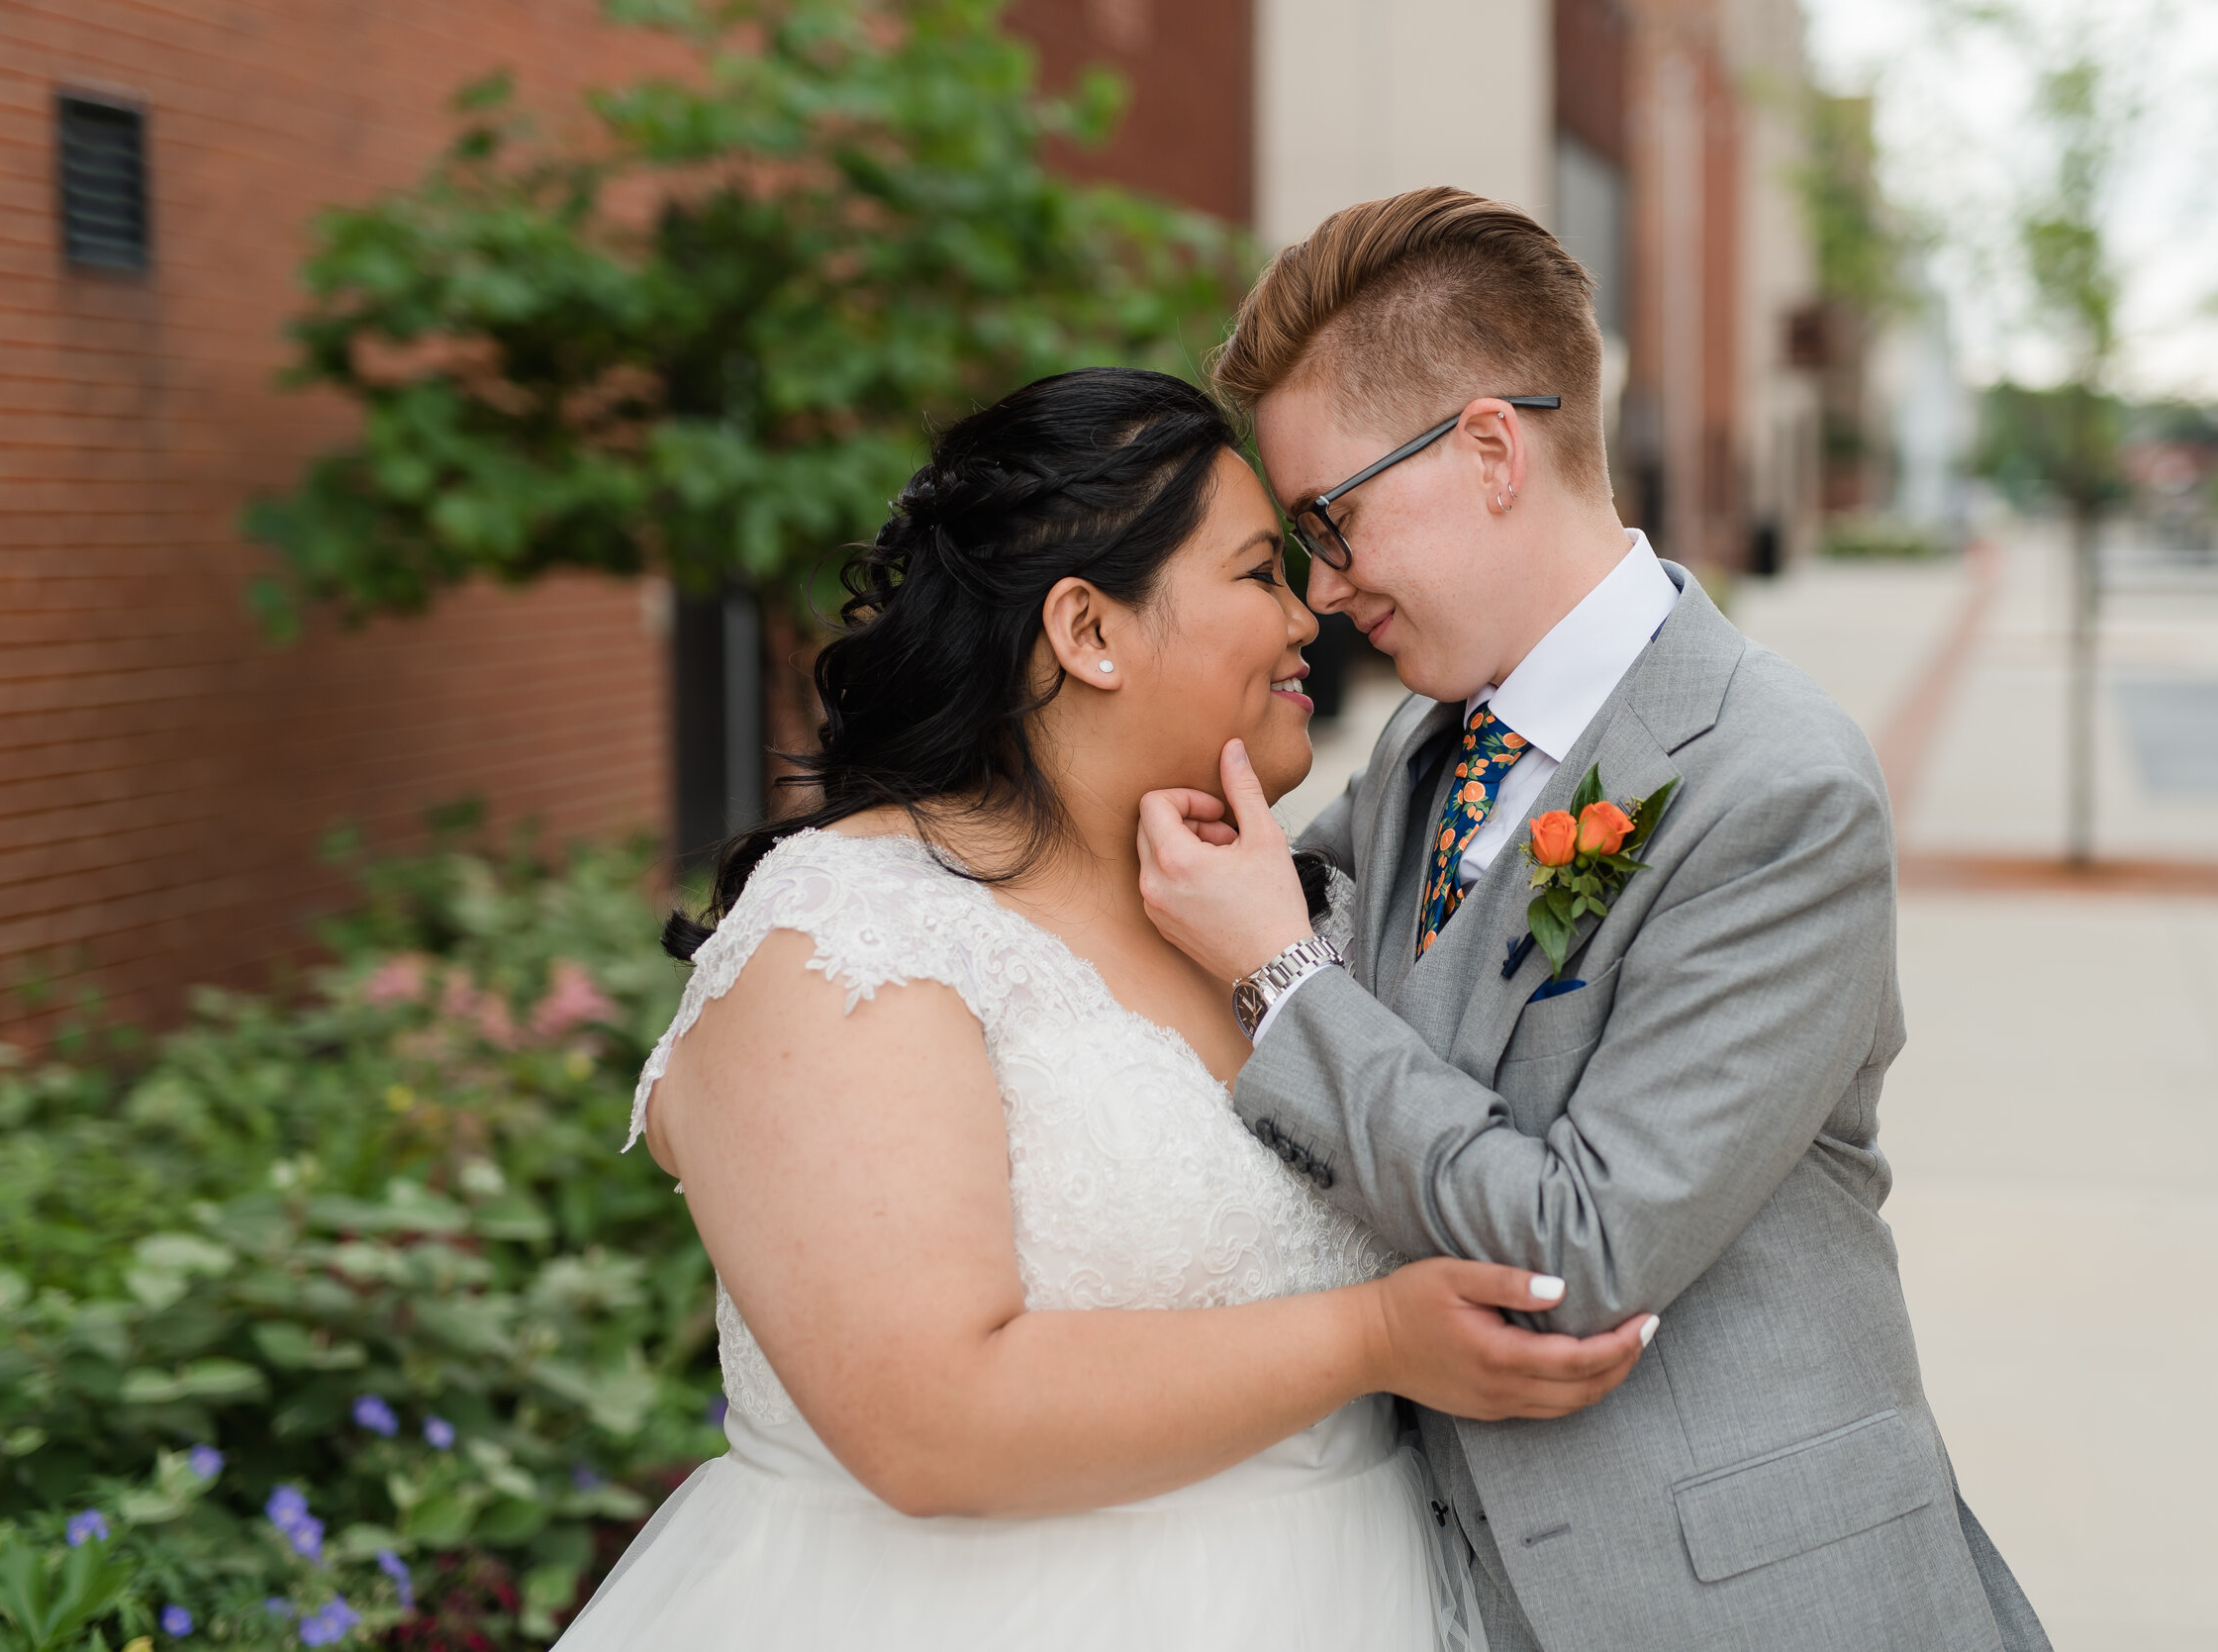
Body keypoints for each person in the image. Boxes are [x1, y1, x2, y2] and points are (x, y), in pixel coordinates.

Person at [555, 367, 1651, 1652]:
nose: (1313, 616)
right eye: (1259, 572)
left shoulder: (1307, 918)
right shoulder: (844, 938)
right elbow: (928, 1415)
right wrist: (1371, 1335)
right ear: (1089, 630)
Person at [1135, 188, 2053, 1652]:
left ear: (1490, 448)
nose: (1325, 582)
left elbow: (1578, 1252)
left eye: (1335, 517)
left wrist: (1282, 976)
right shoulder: (1422, 754)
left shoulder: (1776, 782)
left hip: (1761, 1608)